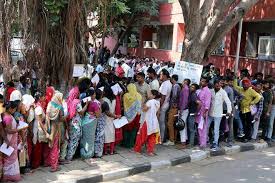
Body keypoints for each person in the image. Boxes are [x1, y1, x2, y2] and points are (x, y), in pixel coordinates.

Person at [134, 90, 161, 155]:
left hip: (147, 121)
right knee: (152, 137)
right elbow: (158, 113)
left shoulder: (150, 102)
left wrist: (143, 104)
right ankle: (150, 151)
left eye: (150, 94)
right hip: (154, 122)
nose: (149, 95)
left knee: (142, 136)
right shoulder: (157, 102)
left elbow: (144, 110)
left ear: (153, 96)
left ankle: (137, 149)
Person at [208, 80, 232, 150]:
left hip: (218, 114)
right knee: (206, 127)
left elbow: (228, 102)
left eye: (219, 85)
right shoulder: (211, 91)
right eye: (216, 84)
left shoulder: (223, 92)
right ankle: (206, 140)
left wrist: (229, 111)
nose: (218, 86)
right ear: (214, 85)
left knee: (216, 129)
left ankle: (215, 143)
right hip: (210, 113)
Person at [66, 87, 88, 161]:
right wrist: (86, 104)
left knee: (70, 140)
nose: (79, 93)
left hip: (70, 123)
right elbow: (81, 112)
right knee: (74, 140)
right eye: (78, 92)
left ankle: (66, 156)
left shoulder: (69, 101)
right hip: (76, 124)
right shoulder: (77, 102)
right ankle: (69, 157)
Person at [45, 91, 65, 172]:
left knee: (50, 146)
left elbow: (47, 115)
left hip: (49, 128)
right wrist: (66, 116)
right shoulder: (60, 107)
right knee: (55, 148)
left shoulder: (50, 104)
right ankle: (54, 166)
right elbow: (61, 118)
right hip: (56, 129)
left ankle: (50, 163)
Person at [2, 101, 21, 182]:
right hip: (10, 139)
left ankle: (8, 175)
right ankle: (9, 176)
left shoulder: (5, 115)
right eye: (14, 109)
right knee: (11, 157)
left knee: (8, 157)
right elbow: (8, 130)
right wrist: (19, 129)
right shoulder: (8, 117)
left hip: (10, 139)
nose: (15, 110)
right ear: (10, 109)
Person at [80, 89, 99, 159]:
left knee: (85, 139)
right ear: (91, 95)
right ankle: (88, 154)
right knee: (90, 140)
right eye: (94, 94)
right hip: (91, 125)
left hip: (84, 123)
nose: (95, 95)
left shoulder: (83, 102)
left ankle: (83, 151)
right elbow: (98, 115)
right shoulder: (95, 104)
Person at [122, 84, 142, 148]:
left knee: (126, 129)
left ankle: (125, 143)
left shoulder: (125, 96)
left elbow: (124, 105)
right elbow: (139, 107)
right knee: (134, 129)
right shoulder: (139, 95)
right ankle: (132, 143)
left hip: (127, 115)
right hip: (136, 115)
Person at [165, 75, 181, 146]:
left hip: (174, 107)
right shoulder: (177, 86)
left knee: (170, 123)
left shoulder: (175, 86)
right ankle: (173, 139)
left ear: (173, 79)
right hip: (176, 107)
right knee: (173, 124)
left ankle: (171, 140)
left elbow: (174, 96)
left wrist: (173, 104)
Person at [197, 77, 212, 149]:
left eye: (203, 81)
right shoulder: (201, 90)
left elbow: (207, 104)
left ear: (206, 83)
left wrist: (204, 113)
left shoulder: (207, 91)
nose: (201, 82)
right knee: (200, 128)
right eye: (201, 81)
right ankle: (201, 142)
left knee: (203, 128)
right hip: (199, 111)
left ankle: (203, 144)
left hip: (203, 112)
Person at [158, 69, 172, 143]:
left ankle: (162, 138)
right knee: (162, 122)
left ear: (164, 75)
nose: (160, 76)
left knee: (161, 122)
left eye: (161, 74)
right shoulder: (167, 83)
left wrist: (159, 108)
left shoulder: (166, 84)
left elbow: (163, 97)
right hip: (165, 104)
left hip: (163, 105)